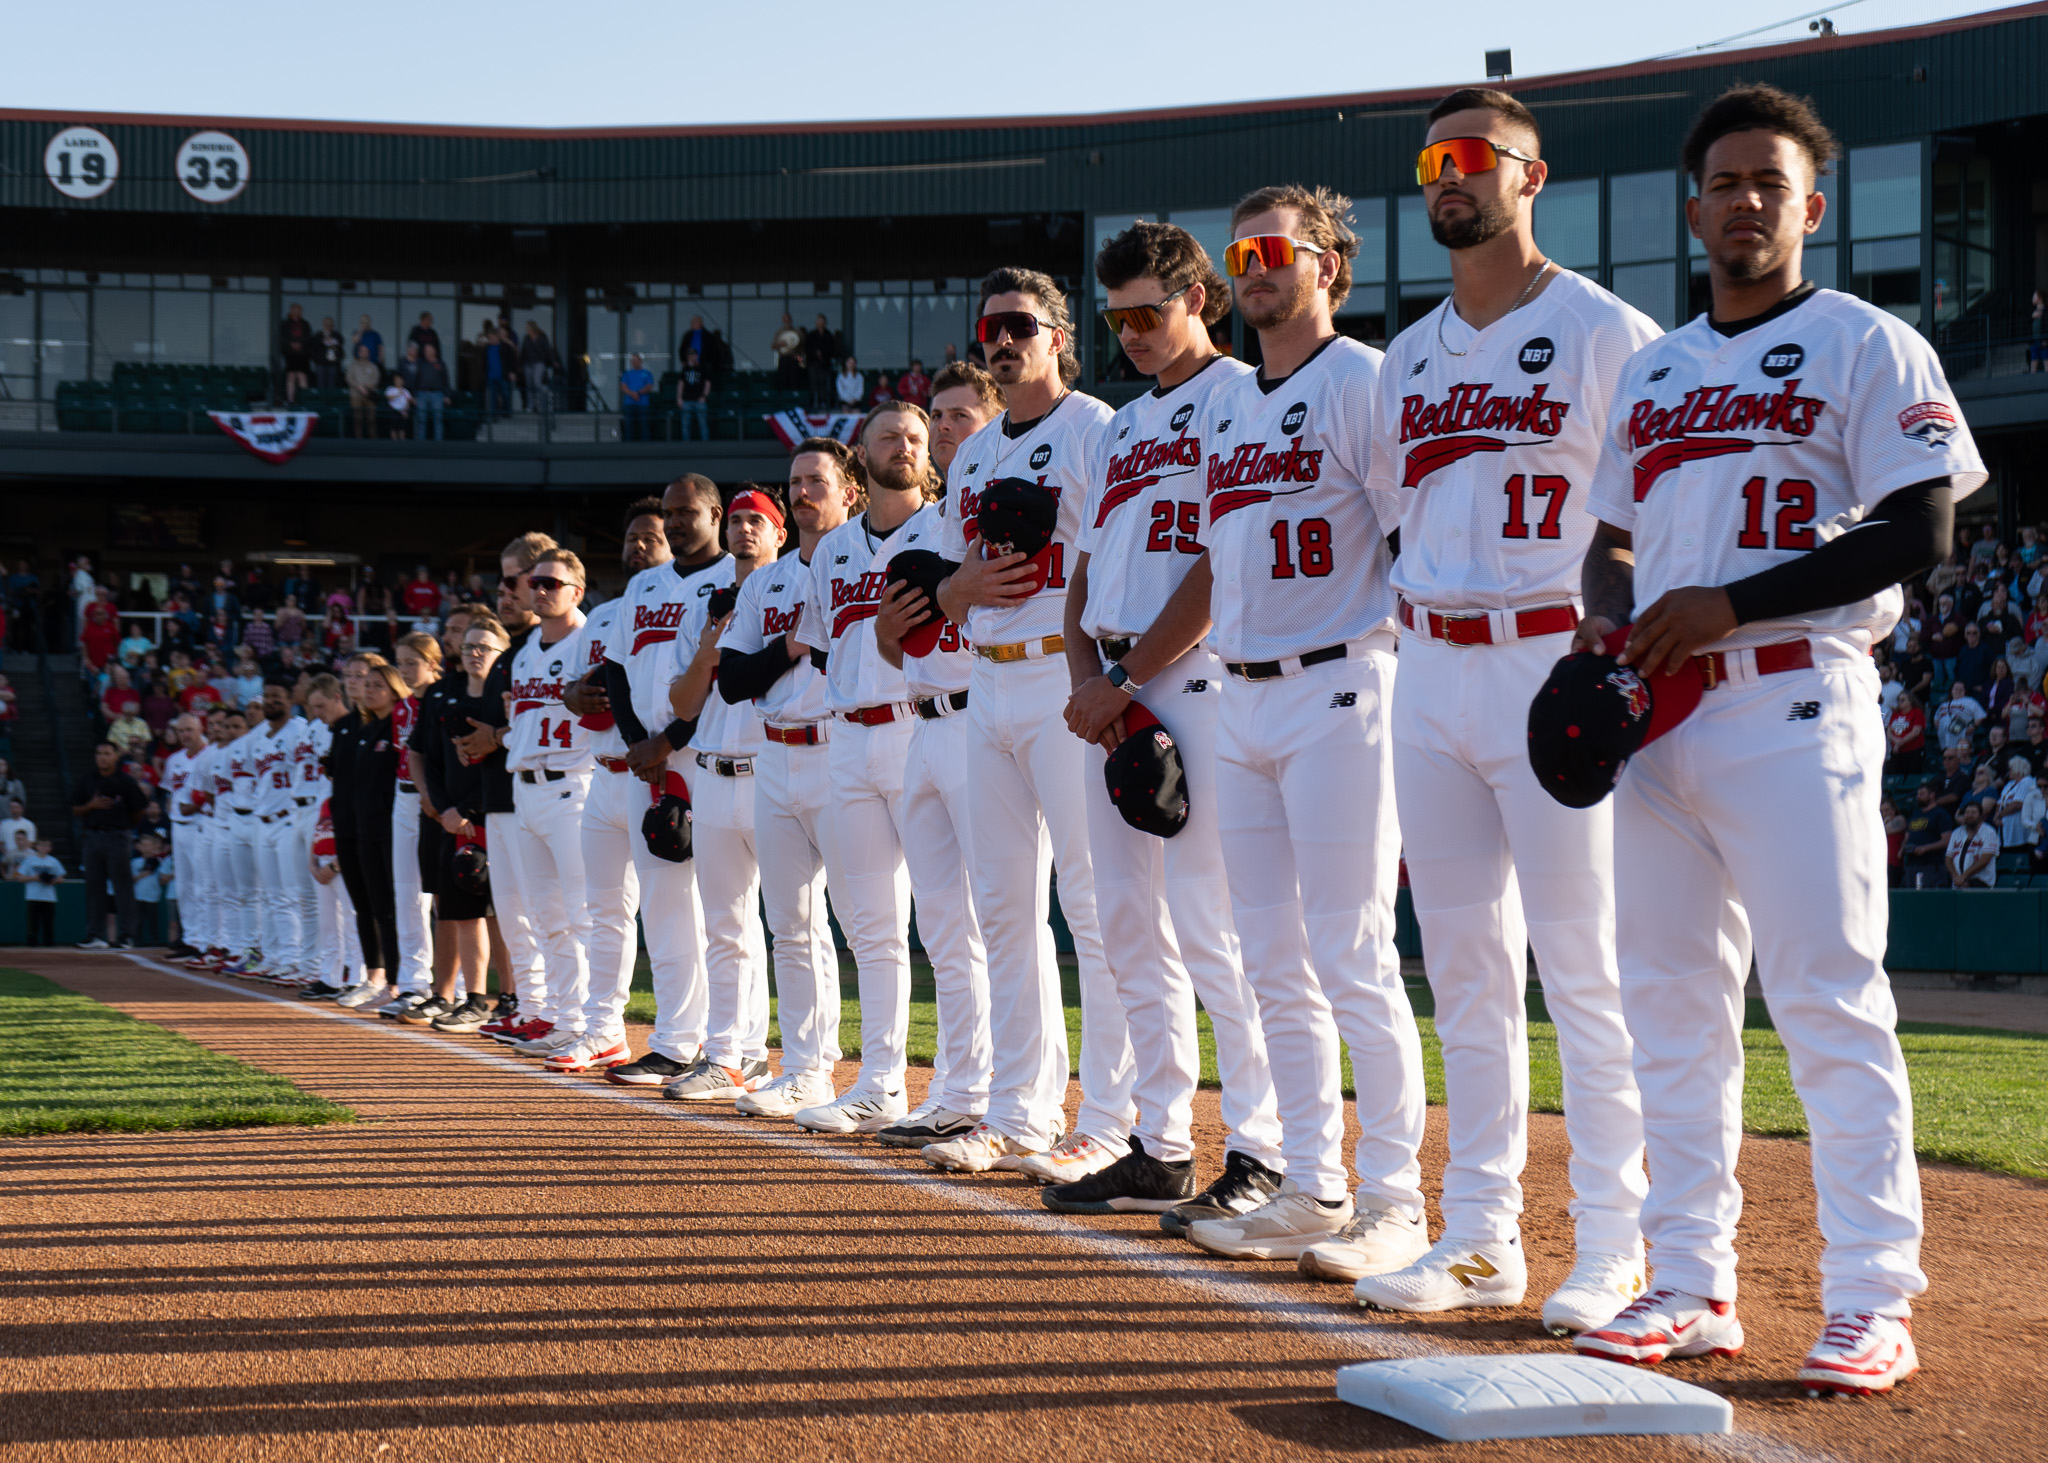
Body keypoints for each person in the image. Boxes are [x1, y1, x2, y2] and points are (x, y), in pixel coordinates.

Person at [1566, 84, 1980, 1398]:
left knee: (1826, 995)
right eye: (1724, 182)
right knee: (1669, 1006)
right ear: (1691, 211)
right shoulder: (1656, 368)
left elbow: (1920, 528)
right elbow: (1612, 539)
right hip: (1659, 710)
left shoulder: (1866, 341)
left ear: (1811, 208)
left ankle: (1870, 1294)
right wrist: (1607, 616)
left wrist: (1731, 603)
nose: (1744, 199)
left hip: (1794, 696)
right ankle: (1689, 1281)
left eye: (1769, 182)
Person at [1144, 188, 1426, 1269]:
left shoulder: (1362, 379)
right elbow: (1217, 563)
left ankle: (1394, 1198)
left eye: (1274, 249)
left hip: (1341, 680)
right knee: (1269, 956)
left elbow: (1409, 538)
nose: (1254, 267)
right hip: (1241, 691)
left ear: (1327, 266)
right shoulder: (1228, 406)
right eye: (1239, 254)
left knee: (1350, 949)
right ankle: (1312, 1182)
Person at [1052, 221, 1286, 1226]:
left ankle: (1263, 1149)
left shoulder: (1239, 395)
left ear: (1198, 295)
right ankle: (1159, 1145)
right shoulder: (1120, 427)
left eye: (1148, 312)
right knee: (1125, 926)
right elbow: (1084, 571)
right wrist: (1089, 681)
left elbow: (1223, 559)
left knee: (1210, 926)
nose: (1133, 333)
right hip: (1118, 690)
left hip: (1194, 680)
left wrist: (1123, 677)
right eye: (1118, 320)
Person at [923, 266, 1121, 1180]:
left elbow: (1117, 554)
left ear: (1057, 337)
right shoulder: (970, 455)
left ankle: (1111, 1119)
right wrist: (956, 589)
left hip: (1061, 675)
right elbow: (952, 581)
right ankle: (1019, 1111)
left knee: (1095, 904)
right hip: (986, 680)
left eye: (1021, 324)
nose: (1003, 339)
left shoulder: (1094, 428)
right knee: (1003, 909)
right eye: (991, 326)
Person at [863, 361, 1002, 1147]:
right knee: (942, 926)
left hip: (985, 718)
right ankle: (958, 1088)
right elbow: (898, 650)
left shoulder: (990, 509)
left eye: (959, 416)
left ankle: (1011, 1096)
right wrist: (889, 633)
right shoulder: (925, 529)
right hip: (922, 721)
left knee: (998, 922)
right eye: (937, 416)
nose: (945, 428)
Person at [586, 479, 729, 1085]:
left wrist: (665, 743)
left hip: (699, 756)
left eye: (685, 511)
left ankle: (713, 1043)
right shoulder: (643, 586)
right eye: (668, 512)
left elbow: (718, 678)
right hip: (646, 761)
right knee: (663, 906)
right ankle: (675, 1039)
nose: (673, 522)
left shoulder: (731, 579)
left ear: (715, 514)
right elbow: (615, 670)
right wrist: (637, 745)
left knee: (710, 909)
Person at [664, 488, 786, 1103]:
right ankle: (727, 1054)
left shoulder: (792, 592)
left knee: (795, 923)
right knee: (725, 926)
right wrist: (712, 644)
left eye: (756, 520)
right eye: (735, 520)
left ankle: (795, 1062)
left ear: (779, 534)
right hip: (711, 771)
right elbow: (683, 705)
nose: (743, 529)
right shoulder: (704, 608)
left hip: (775, 768)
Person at [546, 499, 675, 1069]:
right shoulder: (603, 615)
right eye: (631, 537)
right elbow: (575, 686)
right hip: (602, 773)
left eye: (652, 536)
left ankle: (682, 1036)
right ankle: (603, 1029)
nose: (639, 545)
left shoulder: (683, 599)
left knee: (672, 915)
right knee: (604, 914)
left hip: (658, 770)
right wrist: (572, 695)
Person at [490, 549, 596, 1045]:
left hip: (573, 783)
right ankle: (562, 1017)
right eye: (535, 583)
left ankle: (595, 1024)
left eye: (552, 583)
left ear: (577, 591)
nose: (540, 590)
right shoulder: (526, 648)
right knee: (547, 915)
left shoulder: (590, 640)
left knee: (583, 915)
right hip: (526, 786)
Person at [72, 739, 149, 949]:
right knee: (94, 886)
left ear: (115, 756)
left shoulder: (125, 781)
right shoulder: (88, 780)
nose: (102, 758)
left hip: (117, 836)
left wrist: (123, 826)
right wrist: (91, 805)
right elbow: (75, 809)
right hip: (93, 836)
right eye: (99, 753)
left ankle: (127, 935)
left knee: (122, 887)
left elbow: (139, 809)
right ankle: (95, 934)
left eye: (107, 753)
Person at [18, 838, 63, 947]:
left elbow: (60, 877)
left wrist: (52, 880)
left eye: (46, 845)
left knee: (48, 922)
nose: (43, 847)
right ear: (36, 847)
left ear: (50, 848)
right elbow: (20, 877)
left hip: (49, 897)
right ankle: (32, 943)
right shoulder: (29, 860)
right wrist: (34, 878)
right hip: (33, 896)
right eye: (41, 845)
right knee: (33, 922)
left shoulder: (53, 861)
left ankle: (48, 943)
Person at [1946, 801, 1998, 888]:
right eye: (1967, 812)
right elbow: (1948, 859)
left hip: (1981, 882)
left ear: (1981, 816)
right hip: (1957, 883)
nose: (1969, 815)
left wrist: (1963, 877)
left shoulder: (1989, 832)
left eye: (1973, 812)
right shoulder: (1956, 832)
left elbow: (1985, 859)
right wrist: (1956, 877)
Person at [1998, 754, 2044, 850]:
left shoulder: (2027, 782)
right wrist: (1996, 816)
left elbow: (2017, 804)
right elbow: (2000, 802)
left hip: (2019, 829)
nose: (2009, 772)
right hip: (2004, 828)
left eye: (2010, 769)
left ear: (2018, 769)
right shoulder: (2009, 784)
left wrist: (2000, 815)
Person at [414, 344, 450, 441]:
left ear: (434, 351)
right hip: (422, 394)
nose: (427, 352)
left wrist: (447, 395)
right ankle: (420, 444)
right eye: (425, 351)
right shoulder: (421, 364)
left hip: (437, 394)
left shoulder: (440, 364)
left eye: (429, 350)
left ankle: (438, 444)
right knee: (421, 419)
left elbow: (445, 381)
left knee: (438, 419)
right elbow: (416, 380)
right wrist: (414, 396)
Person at [1886, 690, 1926, 774]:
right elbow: (1889, 732)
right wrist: (1895, 741)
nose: (1900, 702)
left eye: (1903, 700)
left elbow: (1915, 732)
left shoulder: (1917, 712)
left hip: (1912, 752)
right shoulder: (1895, 714)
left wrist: (1899, 743)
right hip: (1896, 752)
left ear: (1910, 701)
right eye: (1899, 700)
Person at [806, 314, 841, 409]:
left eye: (822, 322)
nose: (821, 323)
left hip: (825, 364)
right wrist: (815, 353)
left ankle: (823, 401)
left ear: (825, 323)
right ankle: (813, 401)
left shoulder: (829, 335)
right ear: (816, 323)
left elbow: (832, 349)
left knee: (823, 382)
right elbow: (807, 348)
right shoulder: (811, 335)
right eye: (819, 321)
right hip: (813, 363)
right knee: (814, 382)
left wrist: (823, 353)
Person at [280, 303, 313, 403]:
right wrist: (291, 344)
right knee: (291, 376)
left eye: (299, 310)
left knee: (302, 376)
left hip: (303, 354)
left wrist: (300, 344)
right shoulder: (285, 324)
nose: (297, 312)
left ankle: (304, 399)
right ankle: (290, 400)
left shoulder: (305, 324)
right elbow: (282, 337)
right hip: (290, 353)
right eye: (295, 310)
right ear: (291, 310)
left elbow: (308, 337)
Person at [676, 350, 712, 441]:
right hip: (686, 400)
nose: (692, 357)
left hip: (699, 400)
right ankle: (686, 446)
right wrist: (679, 398)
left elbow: (707, 383)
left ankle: (705, 446)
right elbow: (681, 383)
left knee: (703, 424)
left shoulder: (702, 368)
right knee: (685, 425)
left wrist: (704, 396)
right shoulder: (685, 369)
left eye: (693, 355)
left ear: (696, 356)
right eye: (690, 355)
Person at [519, 321, 554, 411]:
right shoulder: (526, 338)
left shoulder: (542, 337)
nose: (527, 330)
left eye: (528, 328)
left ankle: (541, 404)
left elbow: (547, 350)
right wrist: (521, 364)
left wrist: (548, 362)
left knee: (537, 383)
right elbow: (523, 351)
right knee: (529, 385)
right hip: (528, 363)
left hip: (539, 362)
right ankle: (530, 405)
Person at [620, 353, 653, 441]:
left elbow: (649, 387)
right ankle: (628, 445)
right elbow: (623, 386)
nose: (635, 362)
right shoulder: (627, 374)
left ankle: (645, 445)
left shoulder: (647, 373)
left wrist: (638, 393)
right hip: (629, 403)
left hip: (643, 404)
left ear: (641, 361)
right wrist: (632, 394)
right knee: (628, 426)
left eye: (637, 360)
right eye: (633, 361)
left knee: (644, 425)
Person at [773, 313, 805, 390]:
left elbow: (803, 345)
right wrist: (780, 344)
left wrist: (799, 358)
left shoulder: (797, 332)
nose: (787, 322)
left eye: (788, 320)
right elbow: (773, 346)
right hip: (783, 358)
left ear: (791, 320)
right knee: (783, 380)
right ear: (783, 321)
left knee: (794, 380)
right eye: (785, 320)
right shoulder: (779, 332)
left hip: (794, 358)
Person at [314, 317, 345, 389]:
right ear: (323, 325)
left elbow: (340, 344)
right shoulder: (318, 335)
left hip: (333, 363)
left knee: (332, 384)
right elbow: (315, 347)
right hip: (321, 363)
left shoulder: (337, 335)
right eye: (326, 324)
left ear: (333, 326)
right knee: (320, 384)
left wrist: (330, 338)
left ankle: (331, 396)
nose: (328, 327)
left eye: (330, 325)